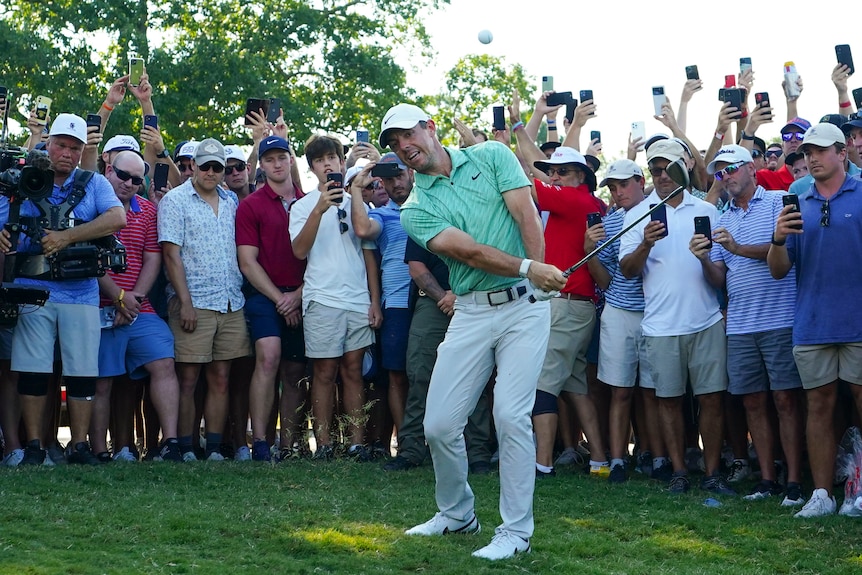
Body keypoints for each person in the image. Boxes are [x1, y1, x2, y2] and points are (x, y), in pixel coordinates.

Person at [379, 103, 566, 560]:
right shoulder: (415, 209)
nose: (404, 147)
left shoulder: (491, 156)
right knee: (440, 424)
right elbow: (469, 252)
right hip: (471, 310)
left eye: (408, 135)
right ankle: (458, 513)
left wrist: (536, 279)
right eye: (394, 143)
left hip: (524, 306)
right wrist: (530, 266)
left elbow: (525, 215)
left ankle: (516, 532)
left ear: (430, 127)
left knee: (509, 415)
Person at [0, 113, 126, 466]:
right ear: (48, 144)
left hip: (81, 290)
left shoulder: (94, 182)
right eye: (61, 145)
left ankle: (80, 445)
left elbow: (118, 218)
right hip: (32, 288)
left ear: (82, 150)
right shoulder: (22, 180)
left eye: (74, 147)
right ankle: (36, 446)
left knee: (83, 372)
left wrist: (67, 237)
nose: (67, 153)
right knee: (33, 370)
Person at [691, 145, 804, 505]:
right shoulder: (722, 218)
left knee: (786, 400)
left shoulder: (776, 202)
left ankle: (795, 481)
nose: (725, 177)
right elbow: (719, 278)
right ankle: (767, 479)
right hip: (740, 323)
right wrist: (705, 259)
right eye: (719, 173)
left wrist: (739, 248)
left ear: (752, 168)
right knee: (753, 402)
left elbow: (788, 249)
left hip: (781, 316)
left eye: (730, 169)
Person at [619, 140, 732, 496]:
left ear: (684, 167)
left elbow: (719, 278)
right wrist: (645, 245)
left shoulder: (707, 211)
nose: (662, 176)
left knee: (712, 399)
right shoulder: (637, 214)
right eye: (655, 170)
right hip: (661, 326)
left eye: (668, 168)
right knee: (668, 400)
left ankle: (713, 472)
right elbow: (626, 271)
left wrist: (702, 259)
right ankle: (679, 472)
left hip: (706, 321)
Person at [767, 123, 862, 518]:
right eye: (808, 152)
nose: (812, 158)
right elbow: (778, 270)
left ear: (842, 153)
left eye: (821, 150)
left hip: (858, 321)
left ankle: (858, 492)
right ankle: (822, 494)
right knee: (818, 407)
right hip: (812, 321)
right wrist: (776, 238)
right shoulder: (795, 203)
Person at [158, 138, 251, 461]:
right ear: (193, 166)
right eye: (206, 165)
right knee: (187, 379)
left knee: (221, 377)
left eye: (218, 167)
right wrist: (184, 302)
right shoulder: (175, 200)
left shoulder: (231, 200)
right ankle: (185, 446)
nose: (211, 172)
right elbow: (171, 255)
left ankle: (212, 447)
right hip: (193, 301)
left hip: (229, 301)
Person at [288, 134, 379, 461]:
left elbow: (368, 251)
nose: (328, 163)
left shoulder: (358, 202)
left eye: (333, 157)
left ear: (343, 161)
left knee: (354, 372)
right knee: (324, 373)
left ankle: (357, 442)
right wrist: (319, 208)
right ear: (312, 167)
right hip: (321, 298)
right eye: (320, 160)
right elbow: (299, 251)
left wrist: (373, 300)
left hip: (356, 299)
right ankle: (324, 443)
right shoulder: (301, 206)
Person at [92, 151, 182, 462]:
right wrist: (118, 297)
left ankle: (171, 442)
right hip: (98, 307)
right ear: (108, 169)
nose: (130, 183)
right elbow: (91, 260)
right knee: (102, 382)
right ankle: (99, 451)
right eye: (123, 175)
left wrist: (134, 300)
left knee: (164, 362)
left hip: (138, 308)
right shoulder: (91, 206)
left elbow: (152, 258)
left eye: (136, 179)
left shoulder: (146, 210)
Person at [584, 160, 666, 483]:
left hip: (656, 313)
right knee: (620, 391)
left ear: (639, 180)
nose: (618, 193)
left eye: (623, 185)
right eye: (613, 188)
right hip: (619, 312)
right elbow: (604, 281)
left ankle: (657, 457)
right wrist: (589, 252)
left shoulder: (660, 211)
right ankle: (618, 460)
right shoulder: (611, 221)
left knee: (652, 392)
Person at [235, 136, 307, 461]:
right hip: (265, 294)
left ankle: (289, 444)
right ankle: (261, 442)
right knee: (268, 357)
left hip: (304, 293)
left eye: (282, 157)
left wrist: (298, 297)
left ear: (291, 160)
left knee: (294, 371)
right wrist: (281, 299)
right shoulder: (251, 204)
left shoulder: (309, 202)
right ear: (261, 166)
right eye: (270, 159)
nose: (277, 164)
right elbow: (247, 262)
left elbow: (320, 258)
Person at [349, 153, 413, 443]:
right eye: (388, 179)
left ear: (411, 173)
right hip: (397, 303)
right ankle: (408, 442)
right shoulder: (382, 215)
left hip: (433, 300)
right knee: (397, 376)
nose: (394, 183)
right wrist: (357, 186)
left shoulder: (431, 205)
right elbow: (362, 229)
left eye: (399, 175)